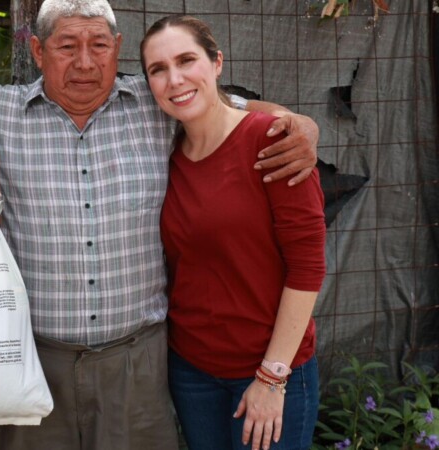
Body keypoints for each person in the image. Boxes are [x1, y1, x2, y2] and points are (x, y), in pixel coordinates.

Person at [0, 2, 320, 449]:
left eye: (99, 46)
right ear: (37, 51)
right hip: (30, 357)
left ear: (118, 49)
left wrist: (301, 124)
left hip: (137, 362)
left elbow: (230, 109)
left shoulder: (159, 102)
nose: (85, 62)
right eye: (67, 46)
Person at [141, 15, 326, 450]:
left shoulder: (274, 141)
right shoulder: (167, 153)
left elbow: (307, 266)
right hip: (192, 371)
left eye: (186, 60)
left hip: (269, 371)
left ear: (217, 62)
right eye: (158, 69)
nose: (175, 79)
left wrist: (271, 376)